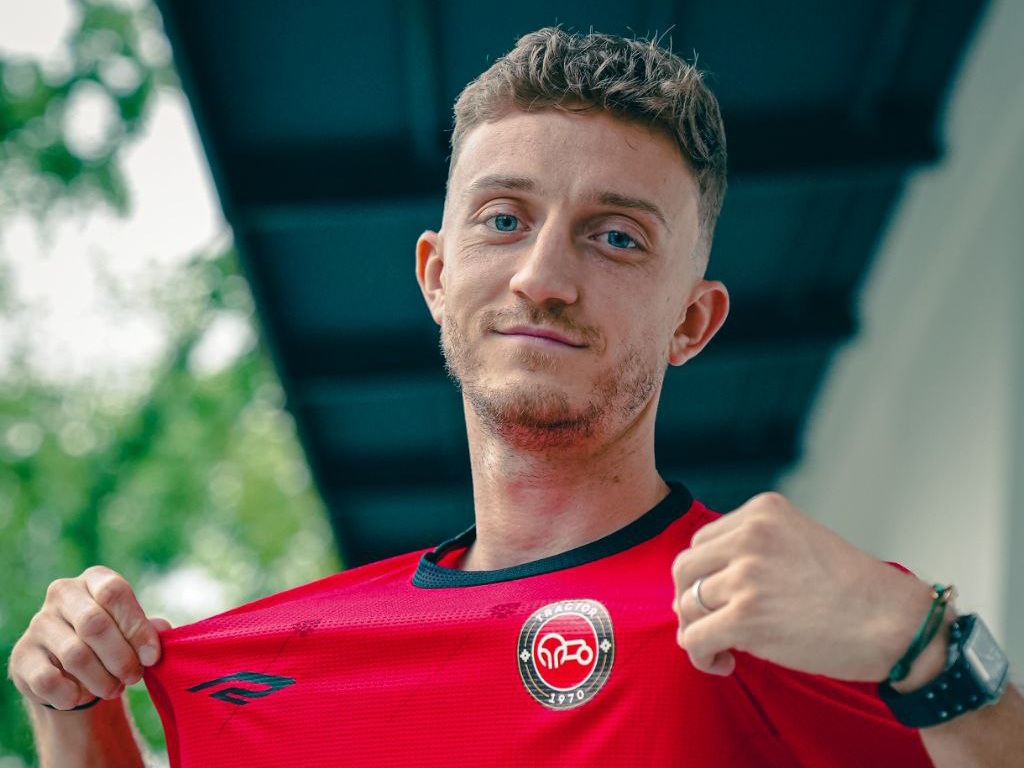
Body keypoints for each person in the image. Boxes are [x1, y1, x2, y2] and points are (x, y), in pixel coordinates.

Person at [8, 27, 1023, 767]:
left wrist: (923, 644)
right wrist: (77, 717)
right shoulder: (294, 668)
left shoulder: (775, 613)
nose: (543, 276)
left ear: (692, 321)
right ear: (436, 273)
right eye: (503, 219)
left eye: (616, 236)